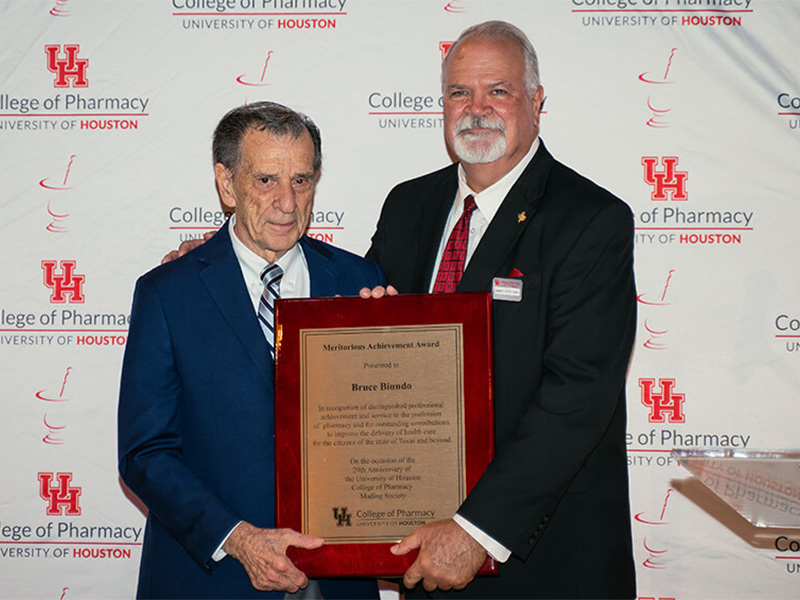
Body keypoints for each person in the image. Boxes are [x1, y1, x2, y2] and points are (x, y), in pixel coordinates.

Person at [366, 21, 637, 599]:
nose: (476, 108)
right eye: (460, 92)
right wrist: (232, 254)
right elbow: (350, 316)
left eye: (499, 91)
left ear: (536, 103)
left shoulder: (591, 221)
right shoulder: (407, 205)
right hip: (421, 548)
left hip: (542, 564)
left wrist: (477, 530)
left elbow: (577, 396)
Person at [118, 101, 383, 599]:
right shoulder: (168, 293)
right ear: (226, 184)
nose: (287, 201)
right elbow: (145, 453)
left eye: (301, 180)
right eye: (266, 180)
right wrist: (239, 539)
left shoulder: (360, 282)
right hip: (213, 578)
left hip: (339, 578)